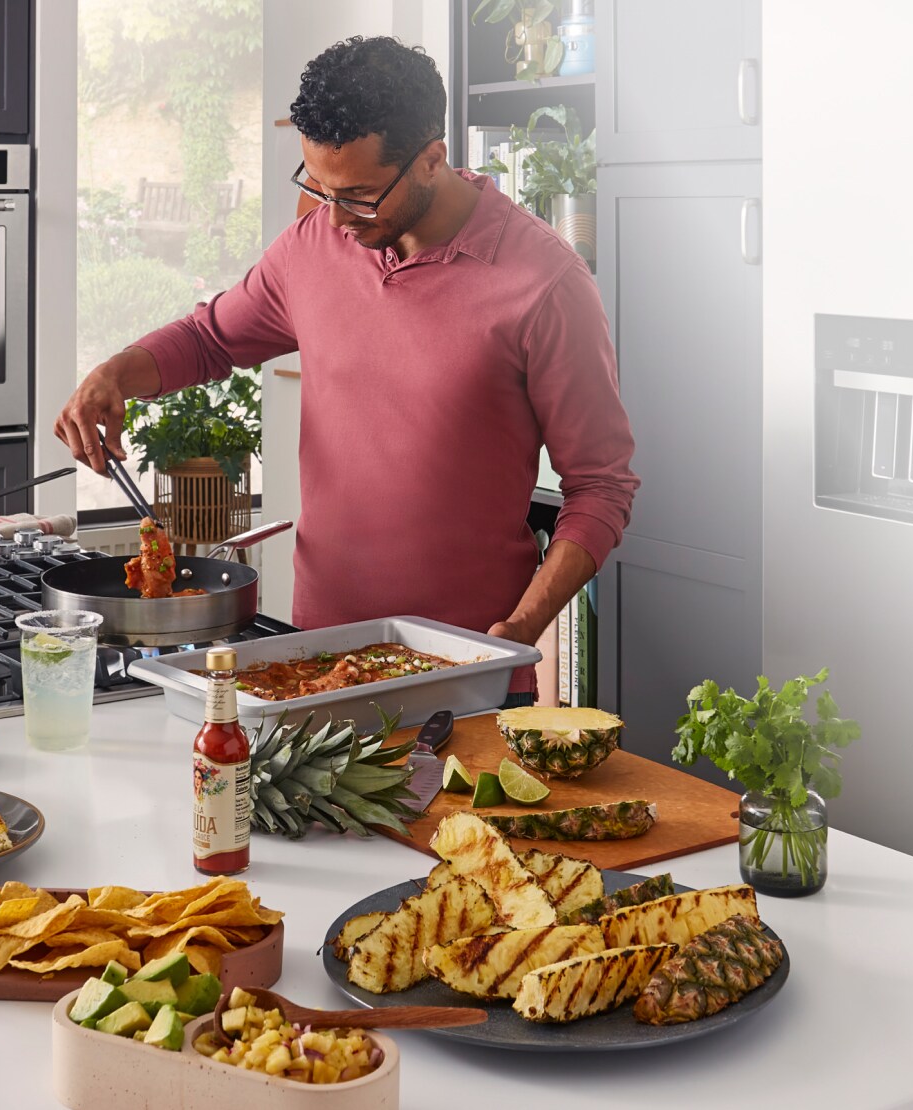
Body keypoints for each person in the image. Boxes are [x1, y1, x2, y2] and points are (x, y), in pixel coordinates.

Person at [56, 35, 638, 705]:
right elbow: (211, 338)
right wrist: (114, 374)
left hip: (467, 670)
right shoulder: (313, 245)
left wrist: (524, 628)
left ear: (432, 160)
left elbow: (602, 486)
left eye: (359, 195)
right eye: (317, 186)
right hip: (312, 660)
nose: (332, 216)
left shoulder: (546, 284)